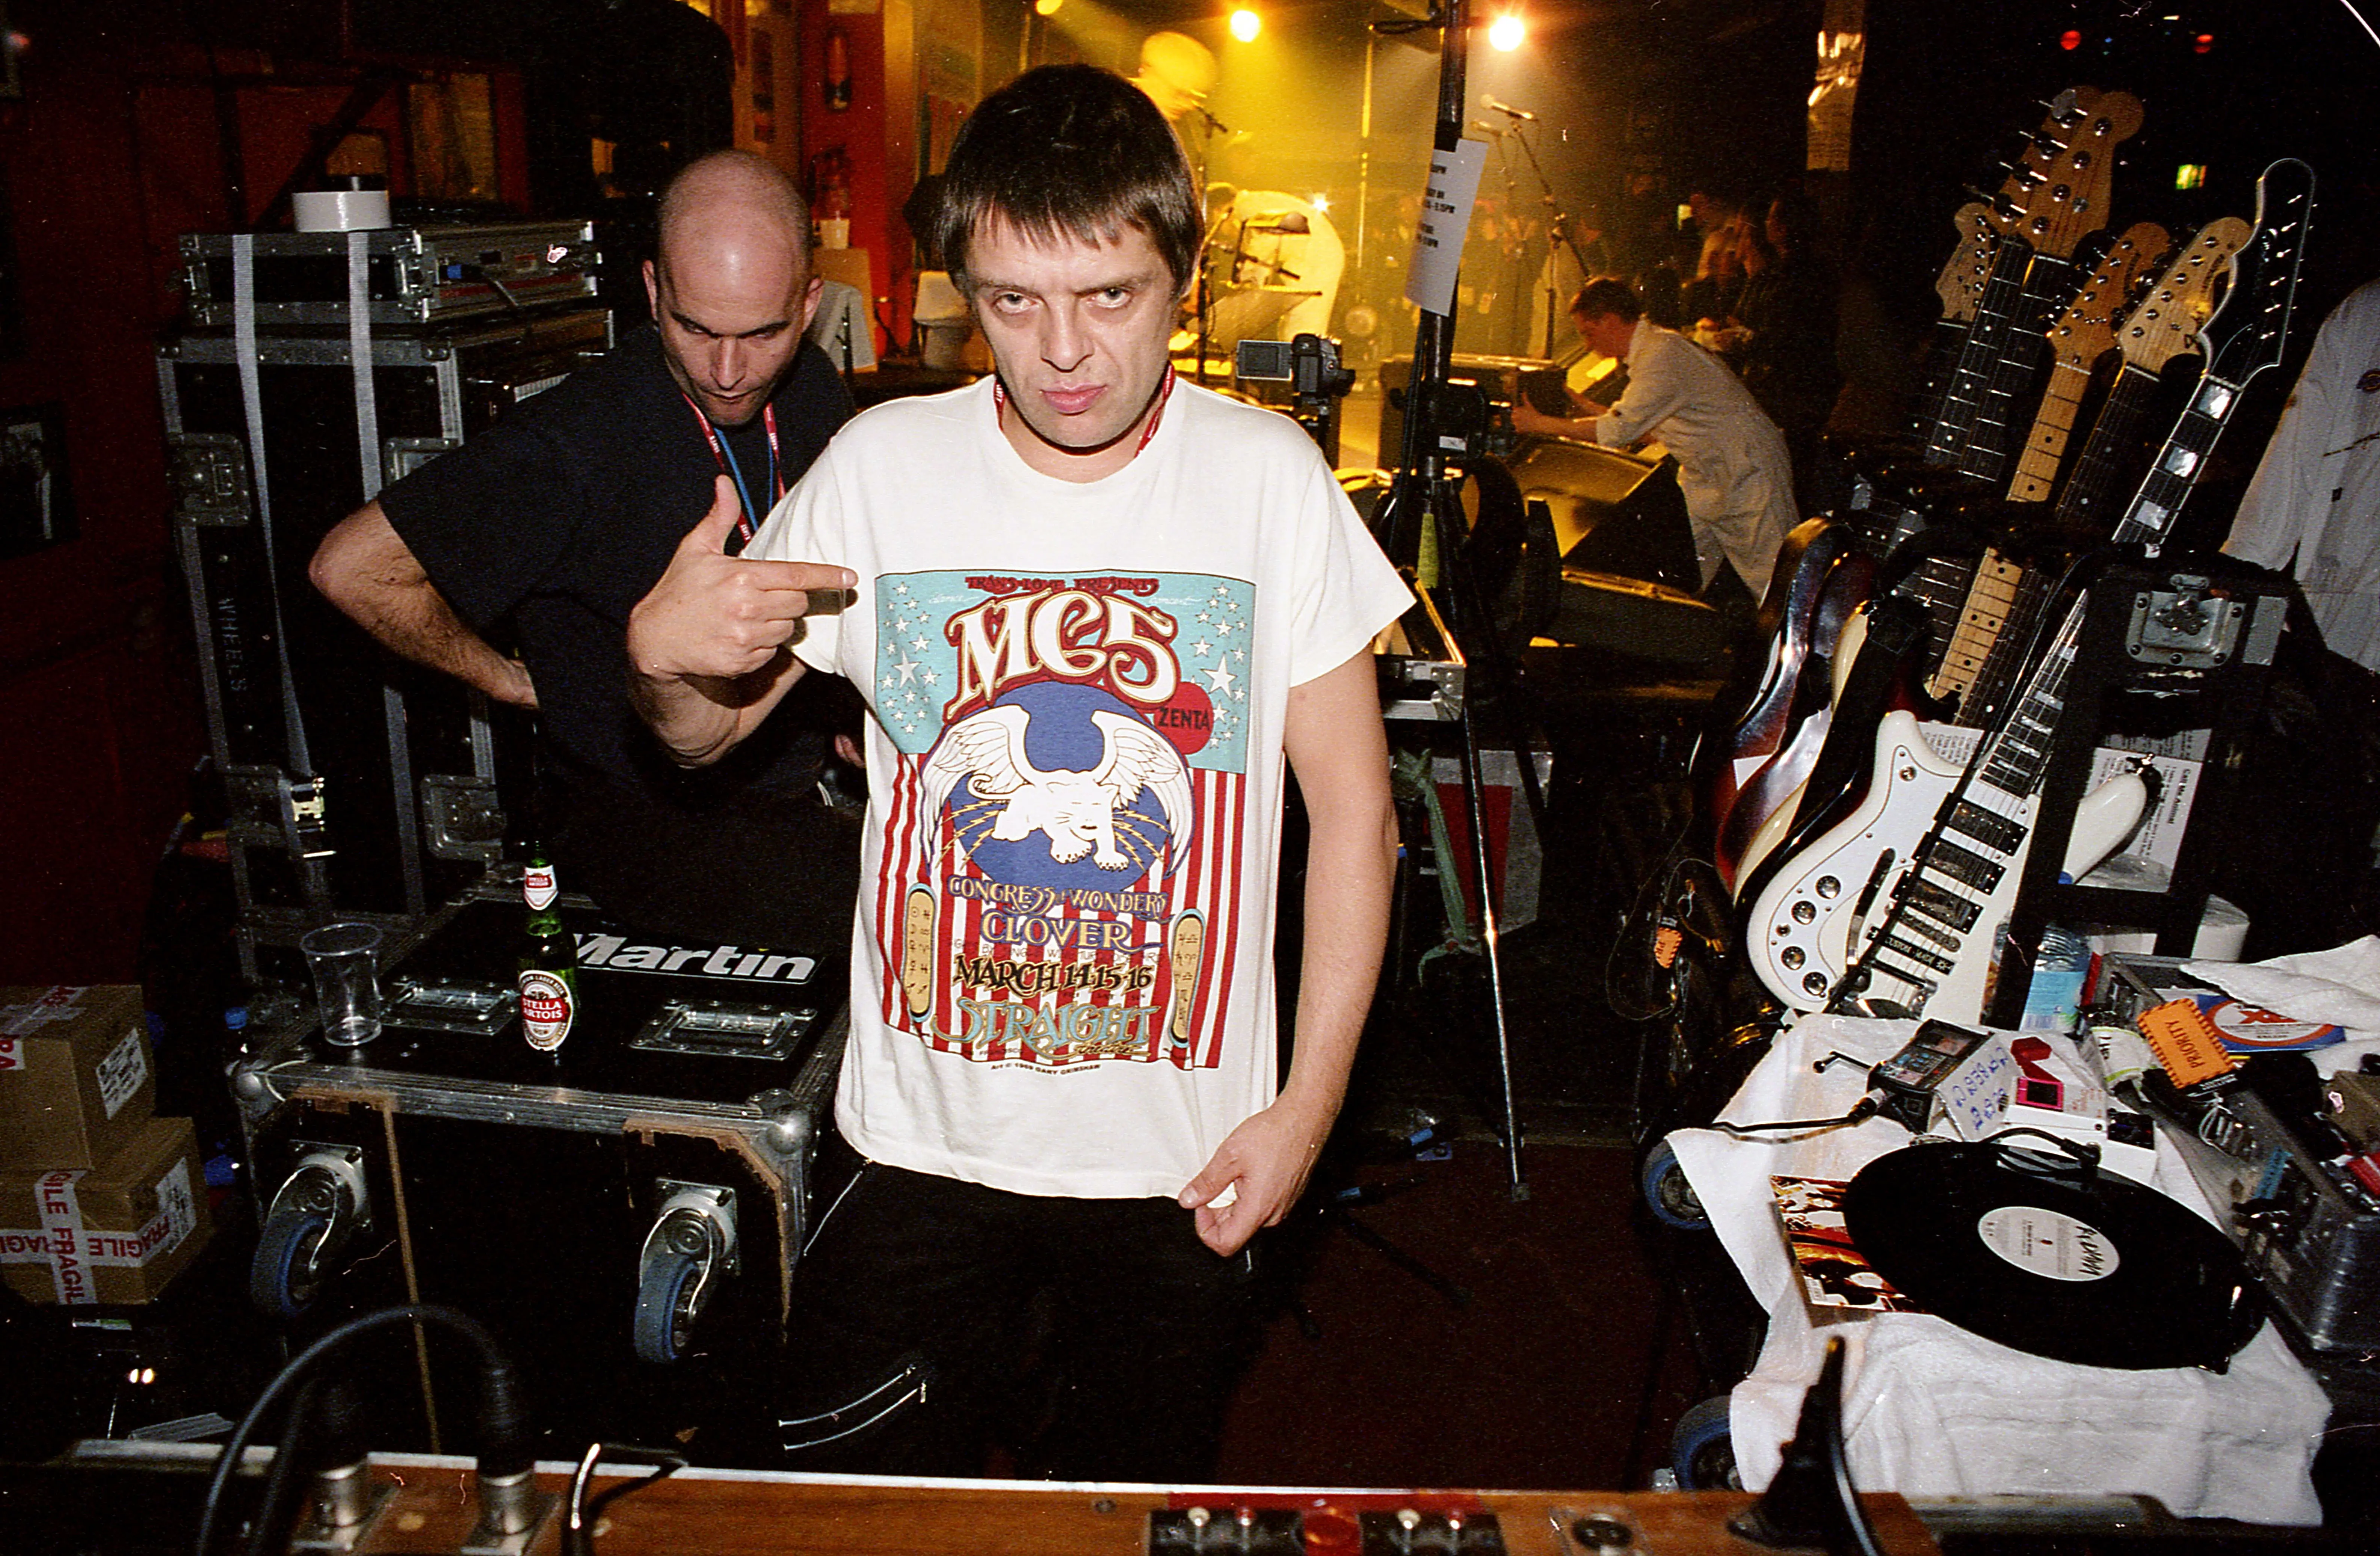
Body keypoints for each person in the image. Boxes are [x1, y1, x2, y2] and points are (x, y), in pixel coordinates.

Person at [624, 64, 1407, 1480]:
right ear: (960, 291)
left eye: (1109, 294)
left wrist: (1306, 1113)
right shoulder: (880, 466)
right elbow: (700, 738)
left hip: (1183, 1154)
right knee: (865, 1508)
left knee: (1134, 1502)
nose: (1063, 353)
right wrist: (662, 663)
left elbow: (1356, 816)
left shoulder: (1269, 476)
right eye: (1012, 301)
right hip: (922, 1147)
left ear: (1187, 271)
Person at [309, 151, 861, 949]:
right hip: (650, 829)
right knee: (923, 921)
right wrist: (511, 682)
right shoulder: (575, 442)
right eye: (696, 327)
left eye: (764, 332)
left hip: (793, 783)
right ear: (651, 292)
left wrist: (846, 708)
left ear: (809, 304)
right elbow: (351, 566)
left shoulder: (811, 386)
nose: (731, 371)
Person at [1511, 276, 1797, 602]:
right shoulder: (1659, 350)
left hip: (1749, 473)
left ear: (1610, 321)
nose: (1588, 344)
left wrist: (1542, 424)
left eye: (1588, 332)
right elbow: (1642, 426)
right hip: (1709, 476)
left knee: (1777, 584)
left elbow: (1616, 432)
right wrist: (1581, 404)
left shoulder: (1661, 358)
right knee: (1676, 577)